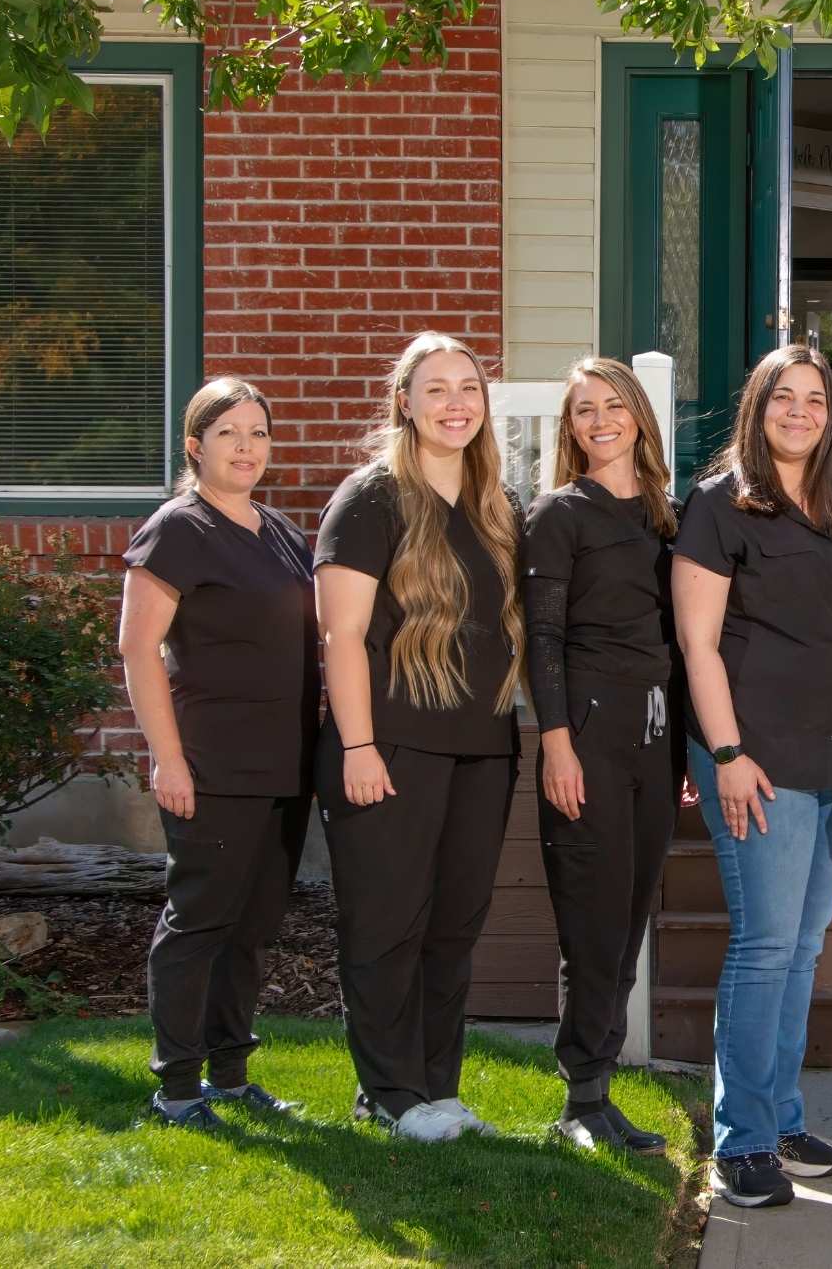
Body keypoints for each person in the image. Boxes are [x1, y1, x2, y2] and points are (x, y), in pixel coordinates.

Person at [672, 345, 832, 1209]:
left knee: (800, 948)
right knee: (763, 945)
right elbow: (698, 642)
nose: (799, 411)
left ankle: (782, 1117)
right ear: (756, 408)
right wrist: (724, 752)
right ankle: (743, 1139)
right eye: (782, 397)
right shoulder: (720, 506)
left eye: (815, 398)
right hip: (755, 753)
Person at [313, 331, 524, 1143]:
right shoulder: (370, 499)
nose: (456, 402)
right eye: (435, 388)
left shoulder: (494, 507)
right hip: (390, 747)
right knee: (386, 923)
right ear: (404, 402)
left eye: (468, 386)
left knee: (452, 925)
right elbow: (341, 636)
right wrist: (358, 746)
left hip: (482, 749)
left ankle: (439, 1088)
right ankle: (389, 1091)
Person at [121, 378, 318, 1128]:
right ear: (196, 446)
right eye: (230, 433)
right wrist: (168, 759)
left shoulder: (278, 531)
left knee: (254, 923)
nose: (248, 447)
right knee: (200, 919)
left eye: (259, 433)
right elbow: (138, 651)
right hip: (212, 763)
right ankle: (176, 1087)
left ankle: (231, 1075)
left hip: (284, 764)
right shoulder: (179, 528)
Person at [523, 357, 683, 1154]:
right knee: (590, 920)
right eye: (584, 409)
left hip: (654, 740)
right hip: (583, 734)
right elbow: (542, 637)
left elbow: (684, 644)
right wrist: (556, 742)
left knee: (627, 918)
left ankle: (600, 1087)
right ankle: (581, 1097)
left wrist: (684, 753)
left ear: (638, 416)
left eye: (613, 404)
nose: (600, 420)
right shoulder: (559, 514)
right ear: (571, 428)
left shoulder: (668, 515)